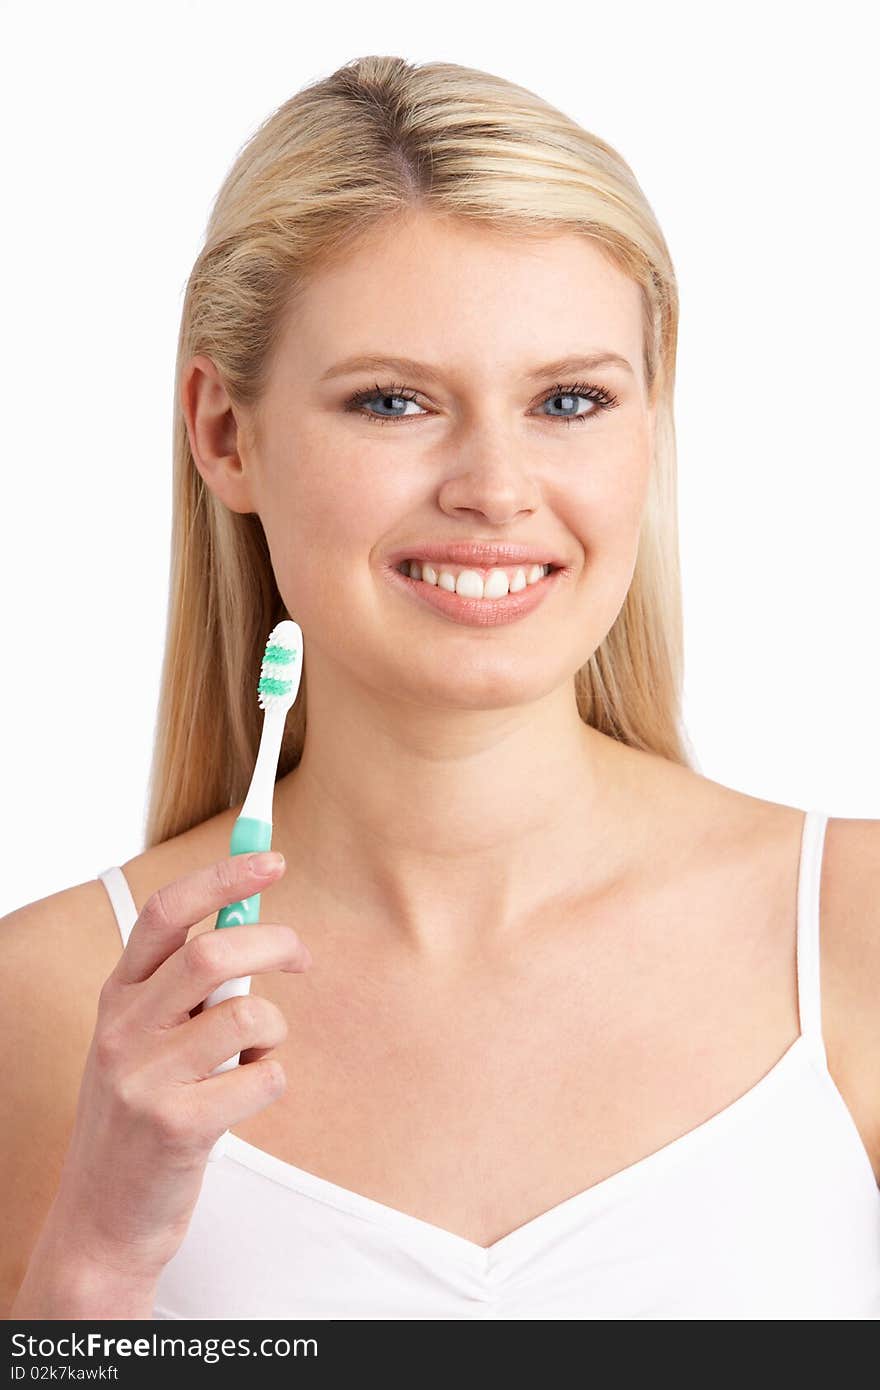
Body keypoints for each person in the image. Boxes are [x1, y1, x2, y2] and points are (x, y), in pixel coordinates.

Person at [4, 55, 880, 1321]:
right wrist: (94, 1259)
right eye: (394, 400)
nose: (495, 486)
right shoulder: (42, 1004)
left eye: (569, 399)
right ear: (224, 432)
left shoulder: (849, 934)